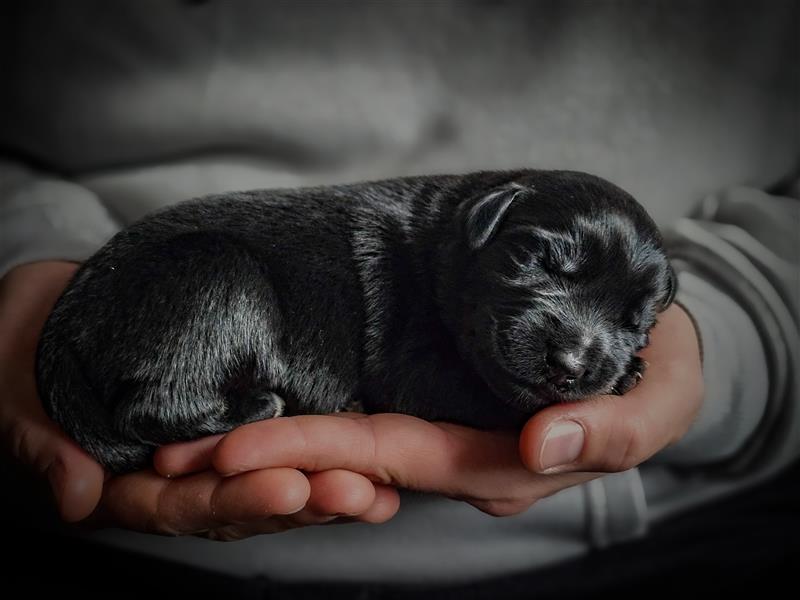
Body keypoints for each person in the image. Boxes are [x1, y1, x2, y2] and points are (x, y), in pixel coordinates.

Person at [1, 0, 797, 592]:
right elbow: (418, 381)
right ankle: (163, 408)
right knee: (217, 282)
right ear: (481, 224)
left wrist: (735, 342)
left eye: (630, 322)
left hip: (674, 529)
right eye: (541, 266)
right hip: (132, 461)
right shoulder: (398, 251)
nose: (579, 347)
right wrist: (22, 255)